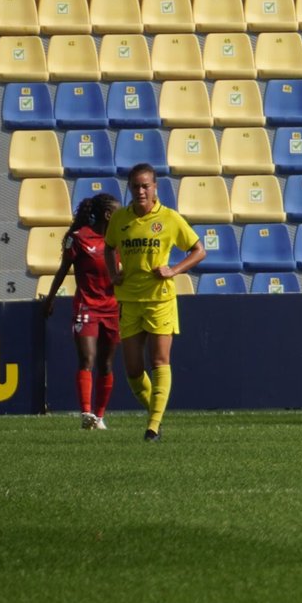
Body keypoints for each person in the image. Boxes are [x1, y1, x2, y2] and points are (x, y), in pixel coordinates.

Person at [103, 163, 206, 441]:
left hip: (160, 299)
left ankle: (152, 427)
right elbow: (108, 247)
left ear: (155, 187)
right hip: (130, 299)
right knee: (133, 369)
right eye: (136, 186)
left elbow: (199, 250)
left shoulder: (169, 218)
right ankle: (155, 415)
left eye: (145, 186)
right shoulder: (120, 219)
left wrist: (173, 270)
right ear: (129, 188)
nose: (141, 191)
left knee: (159, 360)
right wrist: (113, 273)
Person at [43, 192, 122, 430]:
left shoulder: (119, 240)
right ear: (107, 215)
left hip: (112, 307)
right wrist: (50, 298)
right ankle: (86, 413)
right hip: (86, 305)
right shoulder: (78, 238)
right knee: (87, 358)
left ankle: (100, 416)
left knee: (106, 364)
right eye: (118, 212)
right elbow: (63, 269)